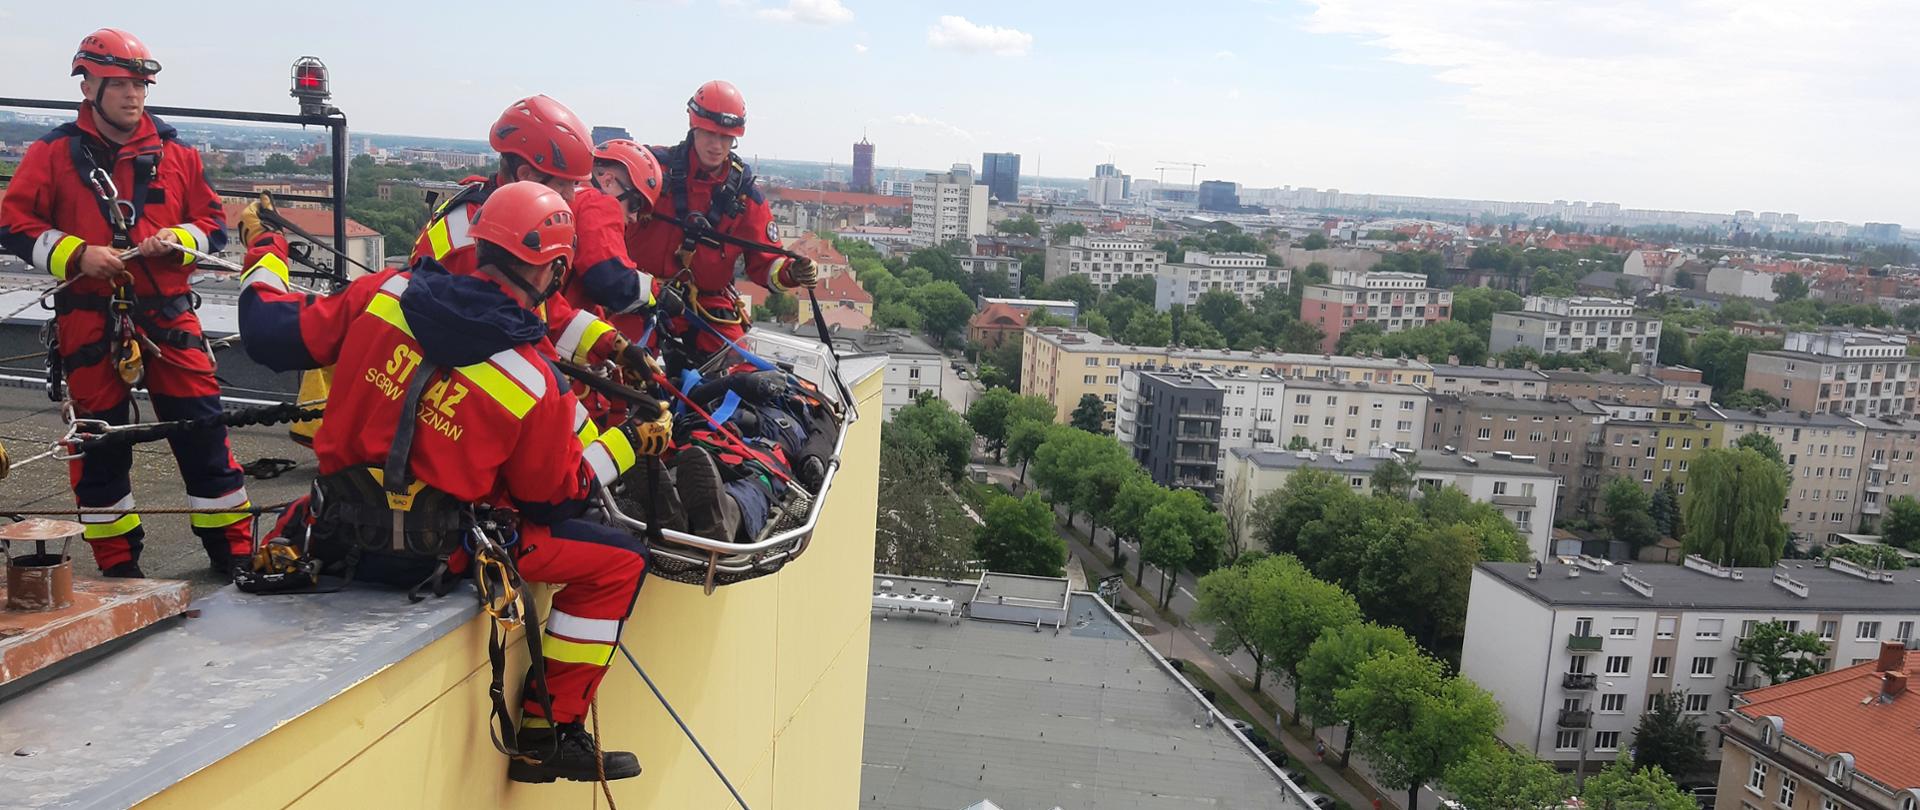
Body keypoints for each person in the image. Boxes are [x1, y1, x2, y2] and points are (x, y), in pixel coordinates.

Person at [236, 182, 672, 784]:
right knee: (621, 561)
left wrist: (263, 247)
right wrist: (627, 443)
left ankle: (293, 531)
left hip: (332, 534)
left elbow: (267, 332)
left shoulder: (382, 295)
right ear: (556, 271)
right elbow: (553, 499)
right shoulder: (533, 381)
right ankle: (550, 731)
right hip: (437, 559)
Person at [0, 28, 253, 577]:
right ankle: (118, 567)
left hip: (167, 317)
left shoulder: (178, 156)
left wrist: (179, 239)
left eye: (139, 84)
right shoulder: (52, 155)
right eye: (118, 84)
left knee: (203, 431)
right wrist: (75, 254)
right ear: (88, 85)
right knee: (99, 447)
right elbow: (13, 224)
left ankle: (233, 553)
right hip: (90, 319)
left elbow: (213, 228)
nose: (132, 95)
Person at [624, 80, 817, 371]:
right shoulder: (651, 170)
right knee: (621, 367)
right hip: (639, 296)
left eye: (726, 138)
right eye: (710, 134)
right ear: (694, 127)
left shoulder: (744, 195)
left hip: (706, 308)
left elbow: (765, 264)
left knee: (746, 376)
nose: (717, 146)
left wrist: (790, 272)